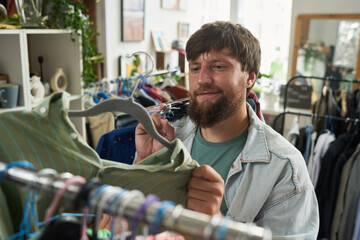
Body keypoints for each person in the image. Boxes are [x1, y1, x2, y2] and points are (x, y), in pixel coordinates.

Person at [135, 21, 319, 238]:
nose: (202, 79)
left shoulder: (284, 167)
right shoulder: (166, 138)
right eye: (195, 68)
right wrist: (144, 165)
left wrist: (217, 226)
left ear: (250, 76)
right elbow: (127, 221)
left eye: (218, 66)